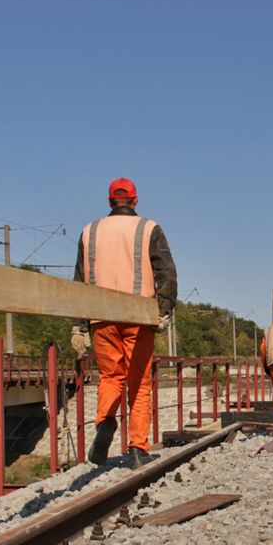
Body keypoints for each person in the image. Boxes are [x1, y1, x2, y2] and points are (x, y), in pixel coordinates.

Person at [70, 178, 176, 469]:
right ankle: (138, 449)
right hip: (138, 316)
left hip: (100, 317)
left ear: (109, 202)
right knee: (139, 382)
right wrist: (163, 310)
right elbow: (166, 272)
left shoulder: (89, 232)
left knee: (110, 377)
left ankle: (105, 421)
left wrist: (79, 325)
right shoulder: (148, 228)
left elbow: (80, 279)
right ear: (135, 200)